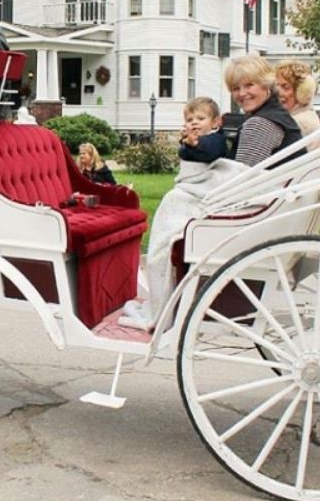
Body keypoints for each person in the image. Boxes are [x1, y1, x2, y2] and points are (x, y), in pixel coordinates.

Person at [121, 55, 302, 332]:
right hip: (276, 205)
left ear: (266, 86)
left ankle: (161, 304)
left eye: (249, 85)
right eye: (236, 87)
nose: (242, 94)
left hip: (253, 213)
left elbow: (240, 180)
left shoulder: (261, 125)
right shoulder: (278, 119)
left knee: (173, 202)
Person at [275, 59, 320, 140]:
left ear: (302, 91)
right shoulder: (306, 116)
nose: (278, 92)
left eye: (285, 87)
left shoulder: (298, 123)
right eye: (276, 86)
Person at [179, 97, 227, 164]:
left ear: (214, 122)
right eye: (189, 120)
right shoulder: (190, 142)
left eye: (201, 119)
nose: (194, 122)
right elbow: (183, 155)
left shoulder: (218, 138)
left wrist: (196, 143)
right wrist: (186, 142)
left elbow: (210, 154)